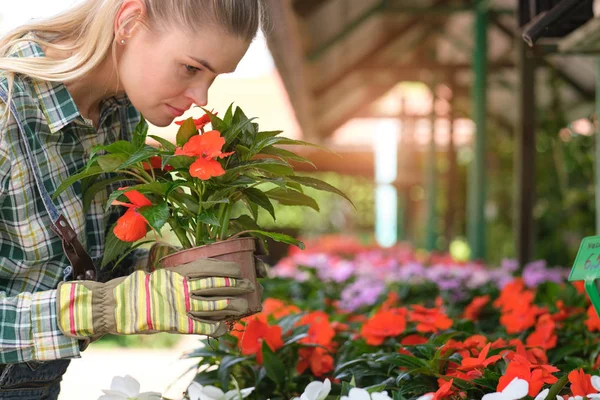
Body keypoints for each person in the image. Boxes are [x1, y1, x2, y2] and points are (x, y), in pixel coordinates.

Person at [0, 0, 265, 398]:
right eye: (192, 68)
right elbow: (106, 299)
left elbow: (87, 266)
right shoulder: (6, 109)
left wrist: (172, 269)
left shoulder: (120, 115)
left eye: (214, 77)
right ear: (129, 22)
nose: (201, 97)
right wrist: (109, 306)